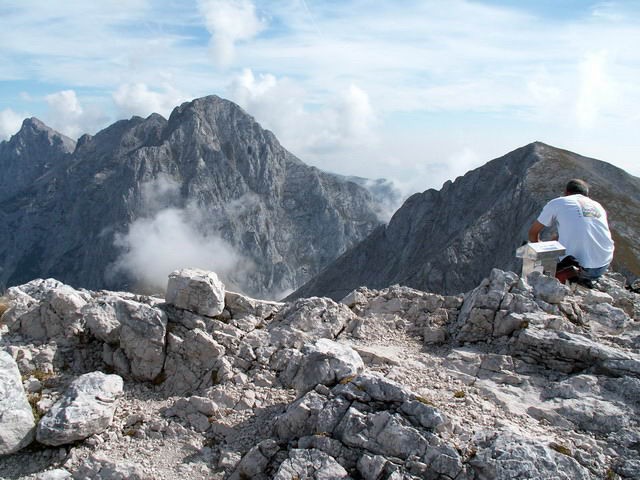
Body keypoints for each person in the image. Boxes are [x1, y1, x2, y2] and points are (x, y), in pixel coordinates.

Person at [528, 179, 614, 286]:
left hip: (575, 269)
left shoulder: (558, 202)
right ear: (586, 195)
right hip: (601, 267)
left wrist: (542, 253)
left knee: (528, 251)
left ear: (566, 192)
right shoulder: (598, 206)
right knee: (558, 238)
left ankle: (533, 286)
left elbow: (533, 233)